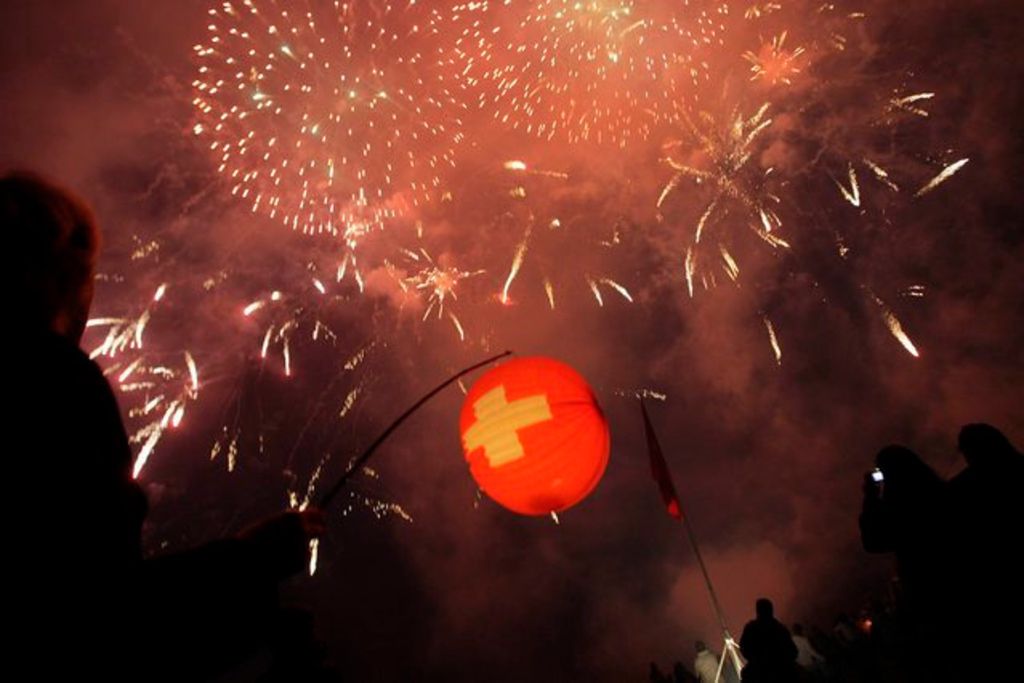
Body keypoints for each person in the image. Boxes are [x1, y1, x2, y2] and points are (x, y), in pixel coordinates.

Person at [3, 171, 325, 677]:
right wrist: (247, 563)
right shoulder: (56, 384)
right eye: (89, 273)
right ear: (61, 277)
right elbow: (98, 615)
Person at [738, 599, 797, 683]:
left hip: (758, 672)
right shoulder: (780, 628)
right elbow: (793, 651)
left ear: (758, 611)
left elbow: (744, 648)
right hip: (781, 672)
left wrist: (756, 660)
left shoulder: (751, 628)